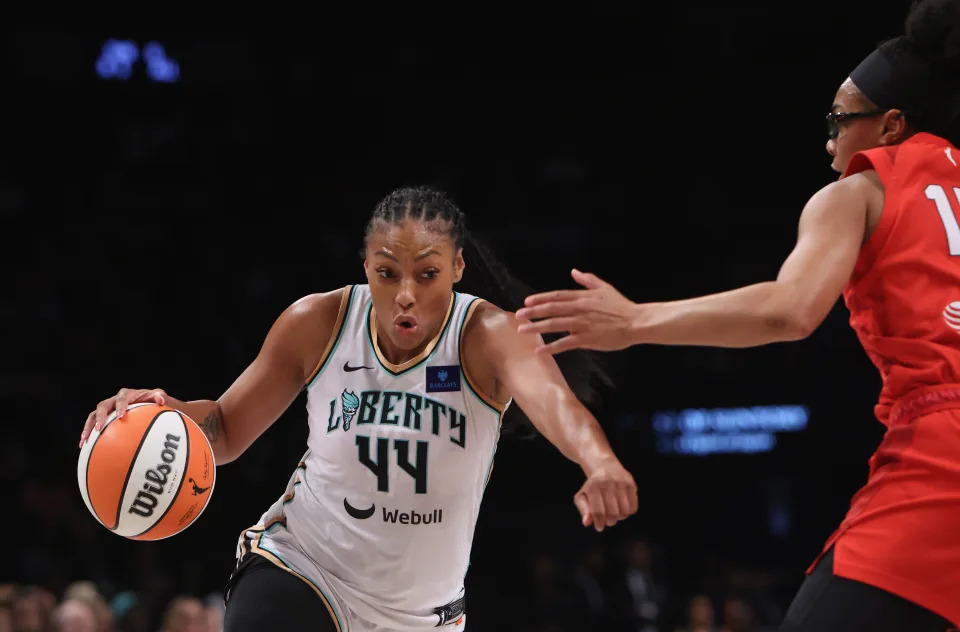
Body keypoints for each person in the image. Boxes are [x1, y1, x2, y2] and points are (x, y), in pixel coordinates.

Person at [515, 0, 960, 630]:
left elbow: (790, 311)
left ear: (891, 126)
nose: (830, 140)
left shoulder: (861, 190)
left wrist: (635, 320)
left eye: (840, 119)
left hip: (943, 455)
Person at [79, 186, 638, 631]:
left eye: (427, 274)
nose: (404, 294)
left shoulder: (488, 334)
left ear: (459, 268)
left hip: (423, 615)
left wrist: (601, 462)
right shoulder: (316, 323)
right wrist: (168, 415)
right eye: (386, 272)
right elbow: (222, 431)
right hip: (305, 565)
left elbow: (555, 405)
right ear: (365, 264)